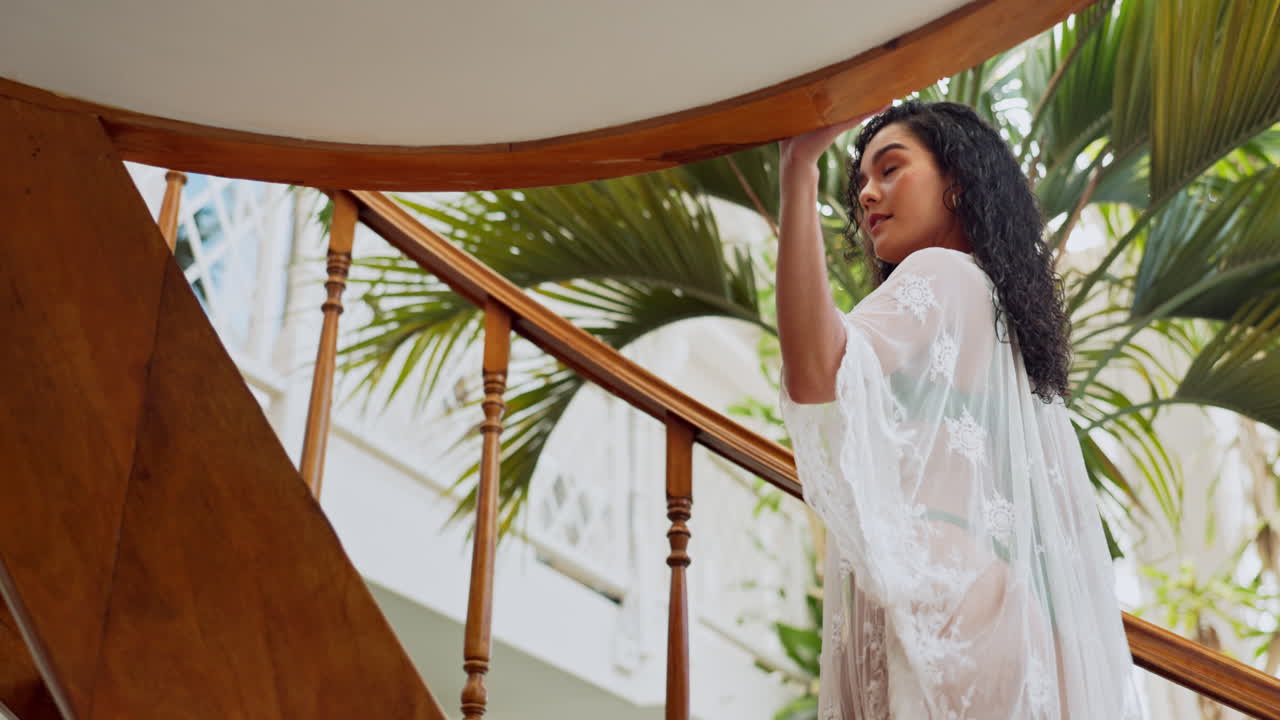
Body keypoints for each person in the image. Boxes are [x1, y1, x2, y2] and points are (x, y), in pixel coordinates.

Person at [775, 100, 1145, 719]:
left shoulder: (940, 274)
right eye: (860, 181)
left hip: (945, 614)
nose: (868, 193)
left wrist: (798, 169)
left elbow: (815, 371)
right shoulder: (995, 310)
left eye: (890, 169)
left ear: (957, 183)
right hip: (995, 615)